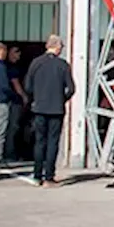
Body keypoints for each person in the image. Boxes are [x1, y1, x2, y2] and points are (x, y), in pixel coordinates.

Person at [25, 35, 75, 187]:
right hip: (57, 109)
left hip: (39, 108)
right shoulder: (63, 65)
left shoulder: (36, 63)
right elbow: (71, 89)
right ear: (58, 47)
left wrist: (36, 97)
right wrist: (62, 99)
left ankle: (36, 175)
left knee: (40, 141)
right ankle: (49, 176)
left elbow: (28, 86)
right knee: (53, 142)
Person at [4, 46, 29, 163]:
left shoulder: (8, 67)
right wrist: (24, 96)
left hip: (10, 101)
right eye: (16, 52)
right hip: (14, 101)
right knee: (13, 127)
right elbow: (16, 83)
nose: (18, 55)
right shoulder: (11, 68)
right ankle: (10, 154)